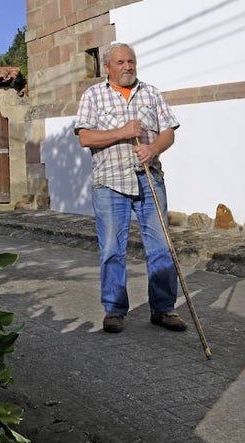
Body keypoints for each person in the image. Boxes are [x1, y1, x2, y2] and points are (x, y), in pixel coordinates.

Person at [74, 43, 186, 334]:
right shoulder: (93, 95)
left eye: (131, 61)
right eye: (121, 62)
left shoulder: (151, 93)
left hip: (149, 179)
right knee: (112, 248)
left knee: (161, 246)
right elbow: (85, 137)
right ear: (107, 68)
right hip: (109, 183)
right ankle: (114, 310)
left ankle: (163, 309)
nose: (128, 66)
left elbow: (169, 131)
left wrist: (153, 148)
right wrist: (122, 132)